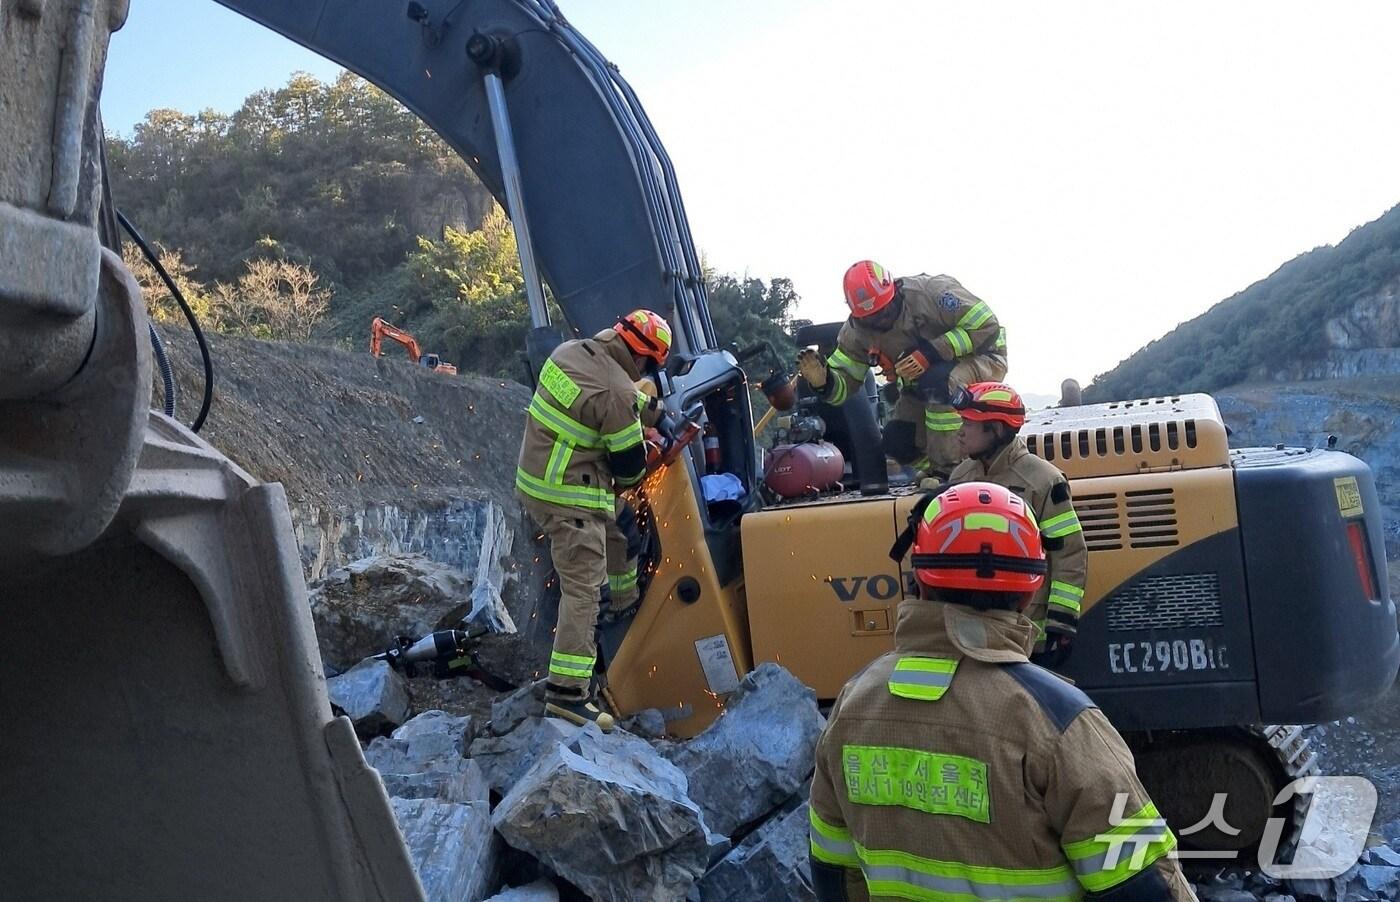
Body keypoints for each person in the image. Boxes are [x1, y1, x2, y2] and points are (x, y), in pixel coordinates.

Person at [808, 482, 1196, 902]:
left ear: (919, 578)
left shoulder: (853, 705)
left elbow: (832, 870)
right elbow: (1145, 886)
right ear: (1029, 592)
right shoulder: (1057, 721)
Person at [515, 309, 671, 730]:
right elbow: (630, 471)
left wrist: (651, 410)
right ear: (643, 361)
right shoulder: (617, 392)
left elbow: (610, 398)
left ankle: (623, 610)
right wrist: (651, 434)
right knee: (584, 588)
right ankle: (567, 693)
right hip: (568, 494)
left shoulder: (573, 352)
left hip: (537, 477)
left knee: (620, 530)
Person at [797, 260, 1007, 479]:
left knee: (938, 384)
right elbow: (845, 385)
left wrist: (931, 352)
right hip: (924, 382)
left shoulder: (931, 293)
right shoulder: (855, 334)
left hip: (984, 357)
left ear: (893, 290)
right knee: (898, 441)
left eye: (884, 311)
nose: (880, 321)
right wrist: (825, 383)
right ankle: (936, 470)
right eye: (870, 318)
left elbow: (986, 326)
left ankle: (950, 473)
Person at [947, 382, 1087, 665]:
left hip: (1026, 634)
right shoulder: (960, 477)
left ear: (996, 429)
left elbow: (1069, 554)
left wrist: (1061, 623)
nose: (960, 431)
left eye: (969, 423)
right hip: (970, 631)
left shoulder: (1043, 481)